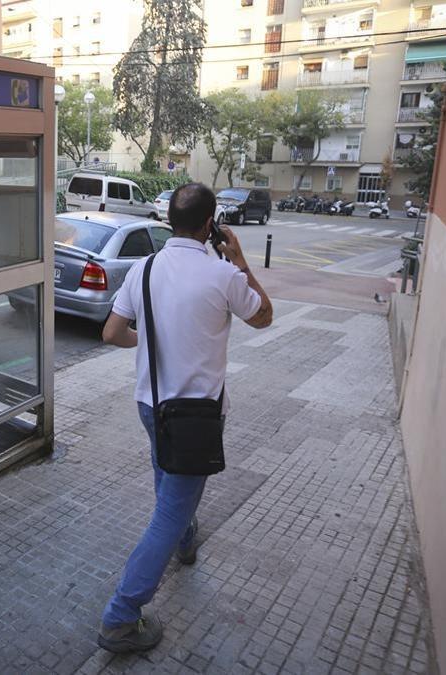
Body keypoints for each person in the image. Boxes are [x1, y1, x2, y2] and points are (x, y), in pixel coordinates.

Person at [96, 183, 274, 653]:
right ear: (210, 224)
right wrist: (240, 260)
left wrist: (145, 343)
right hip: (196, 417)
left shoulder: (145, 268)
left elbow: (112, 331)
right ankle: (120, 615)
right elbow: (265, 317)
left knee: (166, 472)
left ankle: (186, 537)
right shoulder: (223, 275)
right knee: (169, 512)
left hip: (150, 405)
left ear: (169, 221)